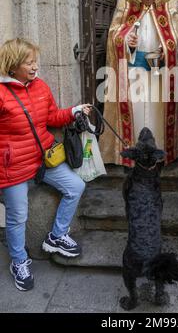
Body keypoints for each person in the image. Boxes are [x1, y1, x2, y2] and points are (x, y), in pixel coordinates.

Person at [0, 38, 91, 291]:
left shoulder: (40, 86)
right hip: (14, 165)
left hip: (44, 157)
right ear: (12, 65)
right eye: (28, 62)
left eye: (34, 61)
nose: (34, 67)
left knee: (75, 186)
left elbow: (51, 116)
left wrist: (73, 111)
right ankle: (19, 261)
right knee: (18, 215)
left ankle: (57, 235)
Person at [100, 0, 178, 166]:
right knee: (137, 111)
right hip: (134, 71)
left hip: (161, 70)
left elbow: (177, 34)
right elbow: (114, 32)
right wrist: (126, 41)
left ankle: (161, 151)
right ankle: (136, 153)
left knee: (159, 111)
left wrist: (166, 50)